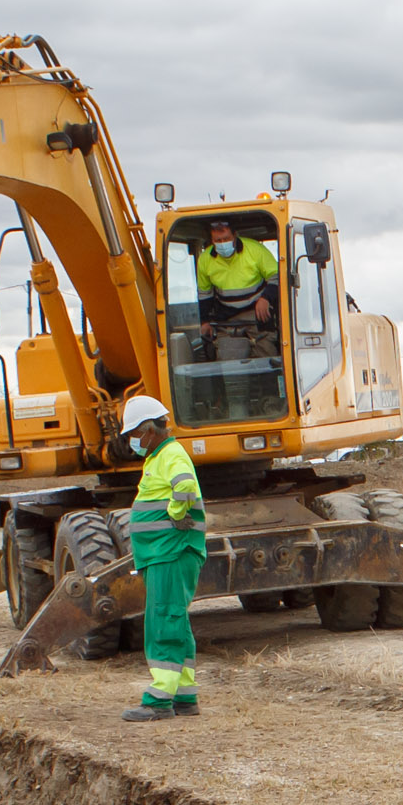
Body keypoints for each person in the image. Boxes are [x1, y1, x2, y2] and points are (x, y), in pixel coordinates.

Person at [118, 394, 206, 723]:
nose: (133, 442)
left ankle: (159, 699)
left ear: (150, 429)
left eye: (134, 435)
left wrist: (175, 511)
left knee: (163, 621)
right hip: (166, 552)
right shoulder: (159, 456)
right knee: (175, 620)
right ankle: (185, 695)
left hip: (171, 550)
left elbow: (184, 486)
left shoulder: (170, 454)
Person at [195, 216, 280, 324]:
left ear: (234, 236)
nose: (222, 243)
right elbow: (204, 294)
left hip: (257, 312)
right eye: (218, 240)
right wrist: (204, 322)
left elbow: (277, 277)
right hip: (226, 317)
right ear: (212, 241)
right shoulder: (205, 259)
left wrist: (266, 299)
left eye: (226, 239)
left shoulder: (255, 250)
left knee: (266, 339)